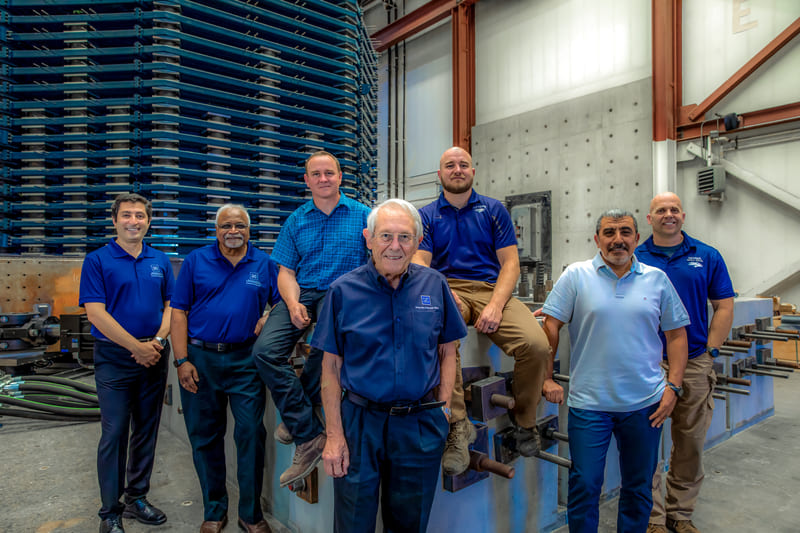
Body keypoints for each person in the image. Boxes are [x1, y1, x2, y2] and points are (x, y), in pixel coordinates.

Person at [313, 199, 467, 533]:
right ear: (368, 238)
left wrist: (442, 410)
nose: (394, 246)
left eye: (404, 237)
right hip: (360, 425)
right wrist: (334, 435)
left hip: (418, 424)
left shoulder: (435, 285)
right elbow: (330, 369)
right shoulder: (342, 291)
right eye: (385, 236)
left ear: (417, 242)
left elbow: (448, 352)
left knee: (410, 524)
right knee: (353, 522)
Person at [541, 209, 690, 533]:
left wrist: (673, 388)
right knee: (584, 486)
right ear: (597, 239)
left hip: (645, 405)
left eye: (625, 232)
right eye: (609, 233)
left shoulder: (656, 279)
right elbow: (551, 326)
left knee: (638, 489)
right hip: (589, 405)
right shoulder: (576, 276)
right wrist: (547, 376)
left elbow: (676, 335)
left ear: (637, 239)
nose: (617, 240)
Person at [413, 146, 552, 475]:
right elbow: (421, 264)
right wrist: (445, 294)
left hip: (492, 289)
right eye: (450, 165)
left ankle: (525, 422)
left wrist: (494, 305)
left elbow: (510, 264)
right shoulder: (426, 216)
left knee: (537, 345)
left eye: (464, 164)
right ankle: (458, 427)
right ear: (440, 174)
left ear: (473, 172)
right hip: (447, 289)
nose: (457, 169)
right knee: (441, 336)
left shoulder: (493, 211)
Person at [251, 150, 370, 487]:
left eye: (329, 173)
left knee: (325, 348)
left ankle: (299, 422)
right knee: (264, 351)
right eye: (315, 174)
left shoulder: (363, 216)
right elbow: (285, 271)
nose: (323, 179)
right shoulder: (296, 220)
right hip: (303, 291)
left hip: (345, 292)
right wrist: (290, 302)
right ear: (306, 181)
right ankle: (309, 430)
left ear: (340, 177)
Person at [170, 204, 279, 533]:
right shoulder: (196, 262)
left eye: (239, 226)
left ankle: (250, 514)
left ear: (249, 229)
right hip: (200, 360)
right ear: (216, 230)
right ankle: (214, 511)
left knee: (250, 434)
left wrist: (268, 315)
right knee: (204, 437)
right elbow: (178, 313)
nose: (233, 231)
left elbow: (282, 302)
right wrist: (181, 360)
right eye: (226, 226)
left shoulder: (263, 263)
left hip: (245, 361)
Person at [636, 193, 735, 533]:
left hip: (693, 362)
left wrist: (712, 351)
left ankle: (680, 513)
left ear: (683, 216)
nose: (668, 215)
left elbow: (724, 304)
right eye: (661, 210)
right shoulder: (635, 255)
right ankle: (653, 518)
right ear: (649, 218)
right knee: (646, 444)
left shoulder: (706, 256)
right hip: (646, 364)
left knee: (690, 444)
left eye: (674, 210)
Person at [79, 193, 173, 533]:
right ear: (115, 220)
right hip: (115, 359)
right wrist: (137, 347)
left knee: (146, 430)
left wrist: (158, 343)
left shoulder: (160, 260)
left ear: (149, 221)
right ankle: (110, 512)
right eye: (127, 215)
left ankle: (137, 499)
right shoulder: (98, 260)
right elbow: (96, 313)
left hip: (154, 355)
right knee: (115, 431)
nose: (134, 221)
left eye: (140, 216)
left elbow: (171, 308)